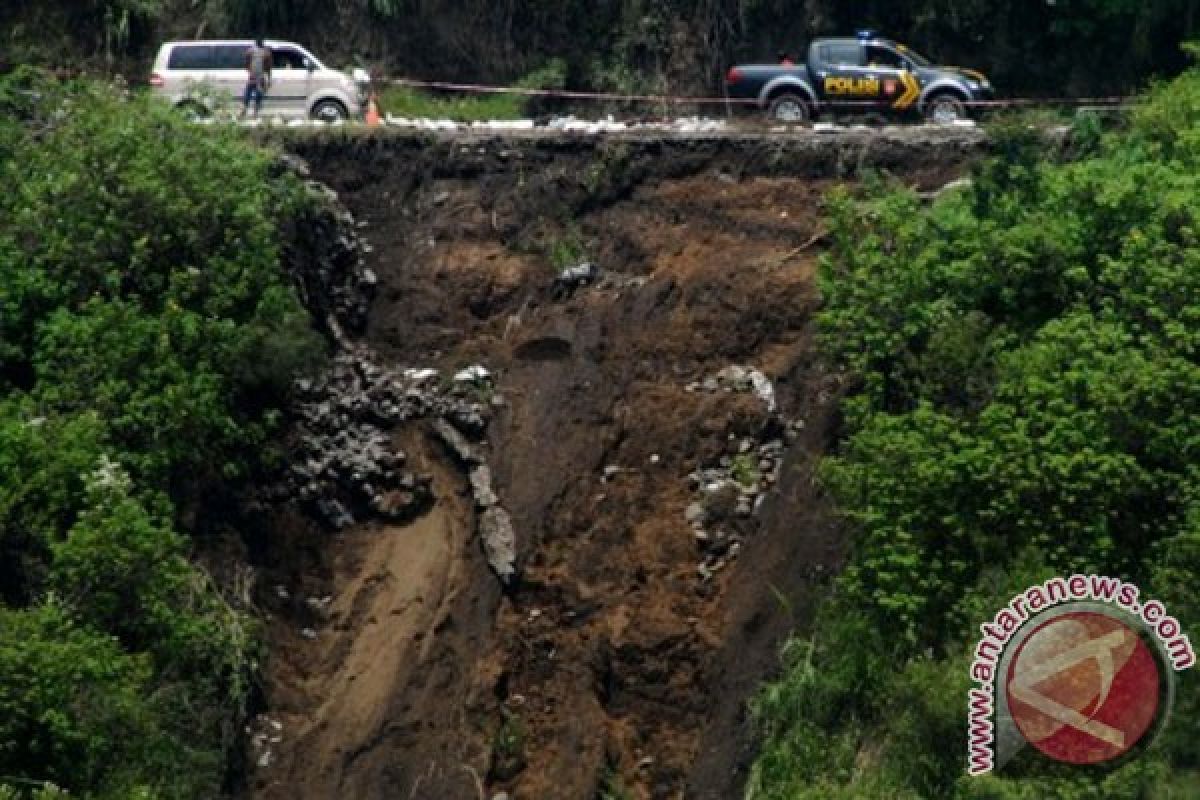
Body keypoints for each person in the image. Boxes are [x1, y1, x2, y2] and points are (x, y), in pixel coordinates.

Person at [241, 38, 272, 118]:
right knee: (259, 94)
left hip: (252, 76)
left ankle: (244, 109)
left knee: (248, 93)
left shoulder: (250, 52)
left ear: (255, 43)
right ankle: (255, 112)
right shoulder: (266, 53)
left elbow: (246, 64)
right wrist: (269, 79)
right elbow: (268, 68)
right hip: (261, 77)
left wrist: (250, 72)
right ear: (263, 44)